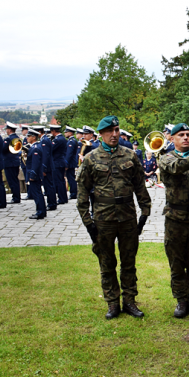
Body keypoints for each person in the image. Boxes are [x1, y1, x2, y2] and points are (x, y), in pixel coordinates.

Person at [77, 116, 151, 320]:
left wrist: (145, 213)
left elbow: (140, 186)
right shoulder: (91, 158)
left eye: (117, 129)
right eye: (110, 131)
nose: (115, 134)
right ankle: (112, 303)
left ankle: (129, 301)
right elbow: (82, 192)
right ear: (101, 134)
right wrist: (89, 224)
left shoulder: (130, 155)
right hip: (103, 219)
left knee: (129, 261)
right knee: (107, 263)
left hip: (127, 217)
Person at [158, 123, 189, 319]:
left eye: (188, 134)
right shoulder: (166, 158)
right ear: (172, 139)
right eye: (181, 135)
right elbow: (175, 168)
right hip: (175, 219)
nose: (186, 137)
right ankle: (181, 300)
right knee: (177, 262)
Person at [25, 129, 47, 220]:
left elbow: (35, 163)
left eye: (29, 136)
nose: (27, 138)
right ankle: (41, 211)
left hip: (35, 174)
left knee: (36, 193)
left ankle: (40, 212)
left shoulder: (35, 148)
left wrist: (32, 175)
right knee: (38, 193)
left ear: (34, 137)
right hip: (35, 173)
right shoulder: (35, 147)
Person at [37, 126, 57, 211]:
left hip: (47, 167)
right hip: (48, 166)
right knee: (48, 185)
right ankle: (51, 203)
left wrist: (44, 168)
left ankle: (51, 203)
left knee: (48, 186)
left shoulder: (44, 140)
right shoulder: (44, 139)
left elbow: (45, 155)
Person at [2, 122, 21, 204]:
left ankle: (16, 197)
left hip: (9, 162)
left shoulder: (8, 139)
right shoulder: (17, 137)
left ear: (9, 130)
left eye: (6, 129)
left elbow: (3, 149)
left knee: (12, 181)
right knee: (15, 180)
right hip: (15, 161)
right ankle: (17, 196)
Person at [49, 124, 68, 205]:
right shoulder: (62, 138)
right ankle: (63, 197)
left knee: (58, 181)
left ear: (53, 131)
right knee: (61, 181)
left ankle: (61, 198)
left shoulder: (57, 140)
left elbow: (51, 149)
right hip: (60, 161)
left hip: (57, 162)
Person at [64, 126, 78, 199]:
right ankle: (73, 192)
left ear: (70, 133)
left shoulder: (71, 141)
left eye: (66, 132)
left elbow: (69, 154)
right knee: (71, 178)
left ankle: (73, 193)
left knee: (71, 178)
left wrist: (66, 163)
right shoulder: (71, 140)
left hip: (70, 163)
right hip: (71, 162)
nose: (65, 133)